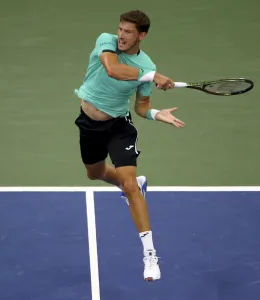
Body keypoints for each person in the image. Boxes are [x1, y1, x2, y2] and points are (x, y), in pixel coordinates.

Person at [74, 10, 185, 281]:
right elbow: (112, 69)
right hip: (89, 124)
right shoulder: (106, 41)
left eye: (128, 32)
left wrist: (158, 114)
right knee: (95, 173)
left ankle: (150, 254)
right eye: (120, 29)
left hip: (118, 127)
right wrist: (151, 76)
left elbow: (141, 107)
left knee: (130, 185)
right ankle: (132, 184)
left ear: (141, 35)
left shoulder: (147, 64)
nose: (121, 35)